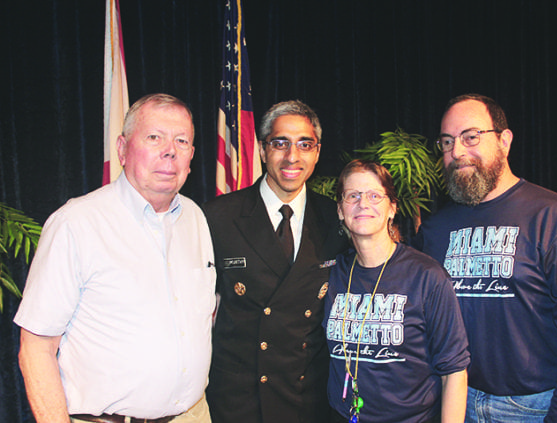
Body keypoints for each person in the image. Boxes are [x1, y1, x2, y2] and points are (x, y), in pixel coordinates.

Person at [14, 93, 215, 423]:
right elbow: (36, 347)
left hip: (192, 415)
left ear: (191, 157)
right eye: (154, 137)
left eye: (182, 140)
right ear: (122, 149)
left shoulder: (195, 218)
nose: (170, 150)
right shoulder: (76, 223)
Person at [413, 93, 557, 422]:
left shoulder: (552, 217)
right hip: (456, 401)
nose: (456, 152)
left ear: (504, 141)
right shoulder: (435, 229)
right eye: (447, 142)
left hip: (536, 407)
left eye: (471, 137)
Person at [203, 100, 349, 422]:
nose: (292, 157)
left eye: (304, 144)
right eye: (280, 143)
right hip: (238, 405)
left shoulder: (337, 220)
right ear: (261, 149)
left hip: (307, 404)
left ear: (317, 151)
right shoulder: (218, 217)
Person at [324, 159, 470, 423]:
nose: (363, 204)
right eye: (352, 195)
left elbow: (454, 372)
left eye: (374, 195)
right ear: (339, 209)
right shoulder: (333, 273)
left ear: (392, 208)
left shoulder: (427, 276)